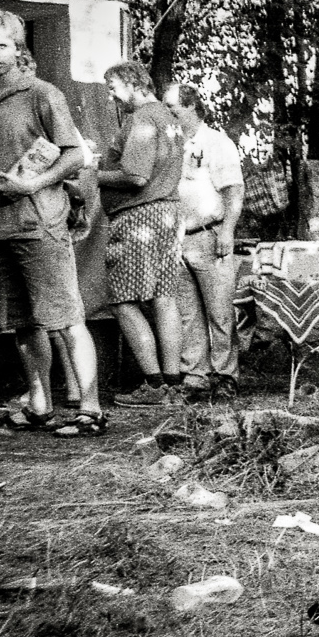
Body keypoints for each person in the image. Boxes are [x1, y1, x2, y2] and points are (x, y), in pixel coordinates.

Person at [0, 9, 106, 437]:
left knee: (66, 318)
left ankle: (91, 410)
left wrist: (34, 184)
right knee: (21, 324)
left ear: (17, 48)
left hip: (41, 224)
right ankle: (39, 405)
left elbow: (76, 154)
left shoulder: (44, 94)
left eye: (2, 45)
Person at [96, 62, 188, 407]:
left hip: (139, 218)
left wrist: (92, 173)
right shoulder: (169, 117)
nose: (111, 96)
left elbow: (135, 176)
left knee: (123, 301)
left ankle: (153, 385)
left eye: (113, 88)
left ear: (133, 85)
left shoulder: (141, 118)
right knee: (164, 298)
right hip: (168, 213)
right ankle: (173, 385)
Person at [164, 83, 244, 403]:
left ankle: (225, 375)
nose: (167, 113)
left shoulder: (216, 143)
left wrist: (227, 231)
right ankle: (195, 375)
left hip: (209, 234)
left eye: (172, 107)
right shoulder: (170, 144)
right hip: (176, 238)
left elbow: (233, 191)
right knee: (187, 312)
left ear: (191, 107)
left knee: (220, 311)